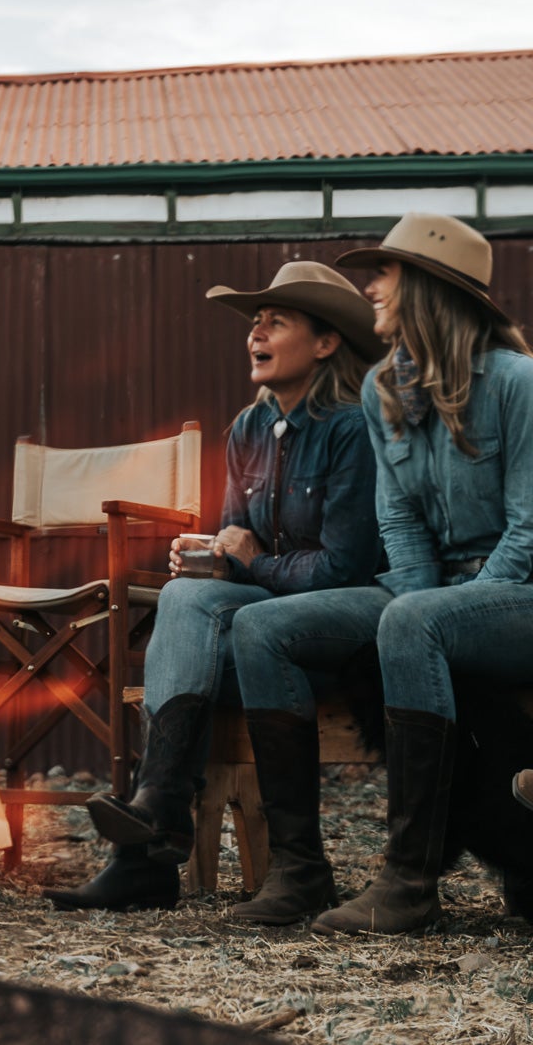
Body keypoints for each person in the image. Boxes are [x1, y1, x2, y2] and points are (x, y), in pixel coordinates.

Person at [43, 263, 385, 912]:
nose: (256, 332)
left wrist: (251, 560)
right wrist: (209, 557)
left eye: (276, 321)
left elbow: (345, 569)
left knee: (208, 628)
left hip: (338, 628)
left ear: (325, 342)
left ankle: (152, 843)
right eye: (255, 321)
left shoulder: (352, 430)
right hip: (257, 620)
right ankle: (156, 818)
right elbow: (236, 545)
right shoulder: (248, 429)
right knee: (183, 596)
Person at [230, 213, 533, 934]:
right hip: (424, 589)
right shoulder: (381, 390)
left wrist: (451, 610)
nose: (371, 287)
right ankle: (298, 870)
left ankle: (409, 881)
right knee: (260, 627)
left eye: (386, 273)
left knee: (411, 621)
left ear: (429, 288)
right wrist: (428, 601)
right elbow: (397, 521)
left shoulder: (517, 382)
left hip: (517, 591)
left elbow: (528, 528)